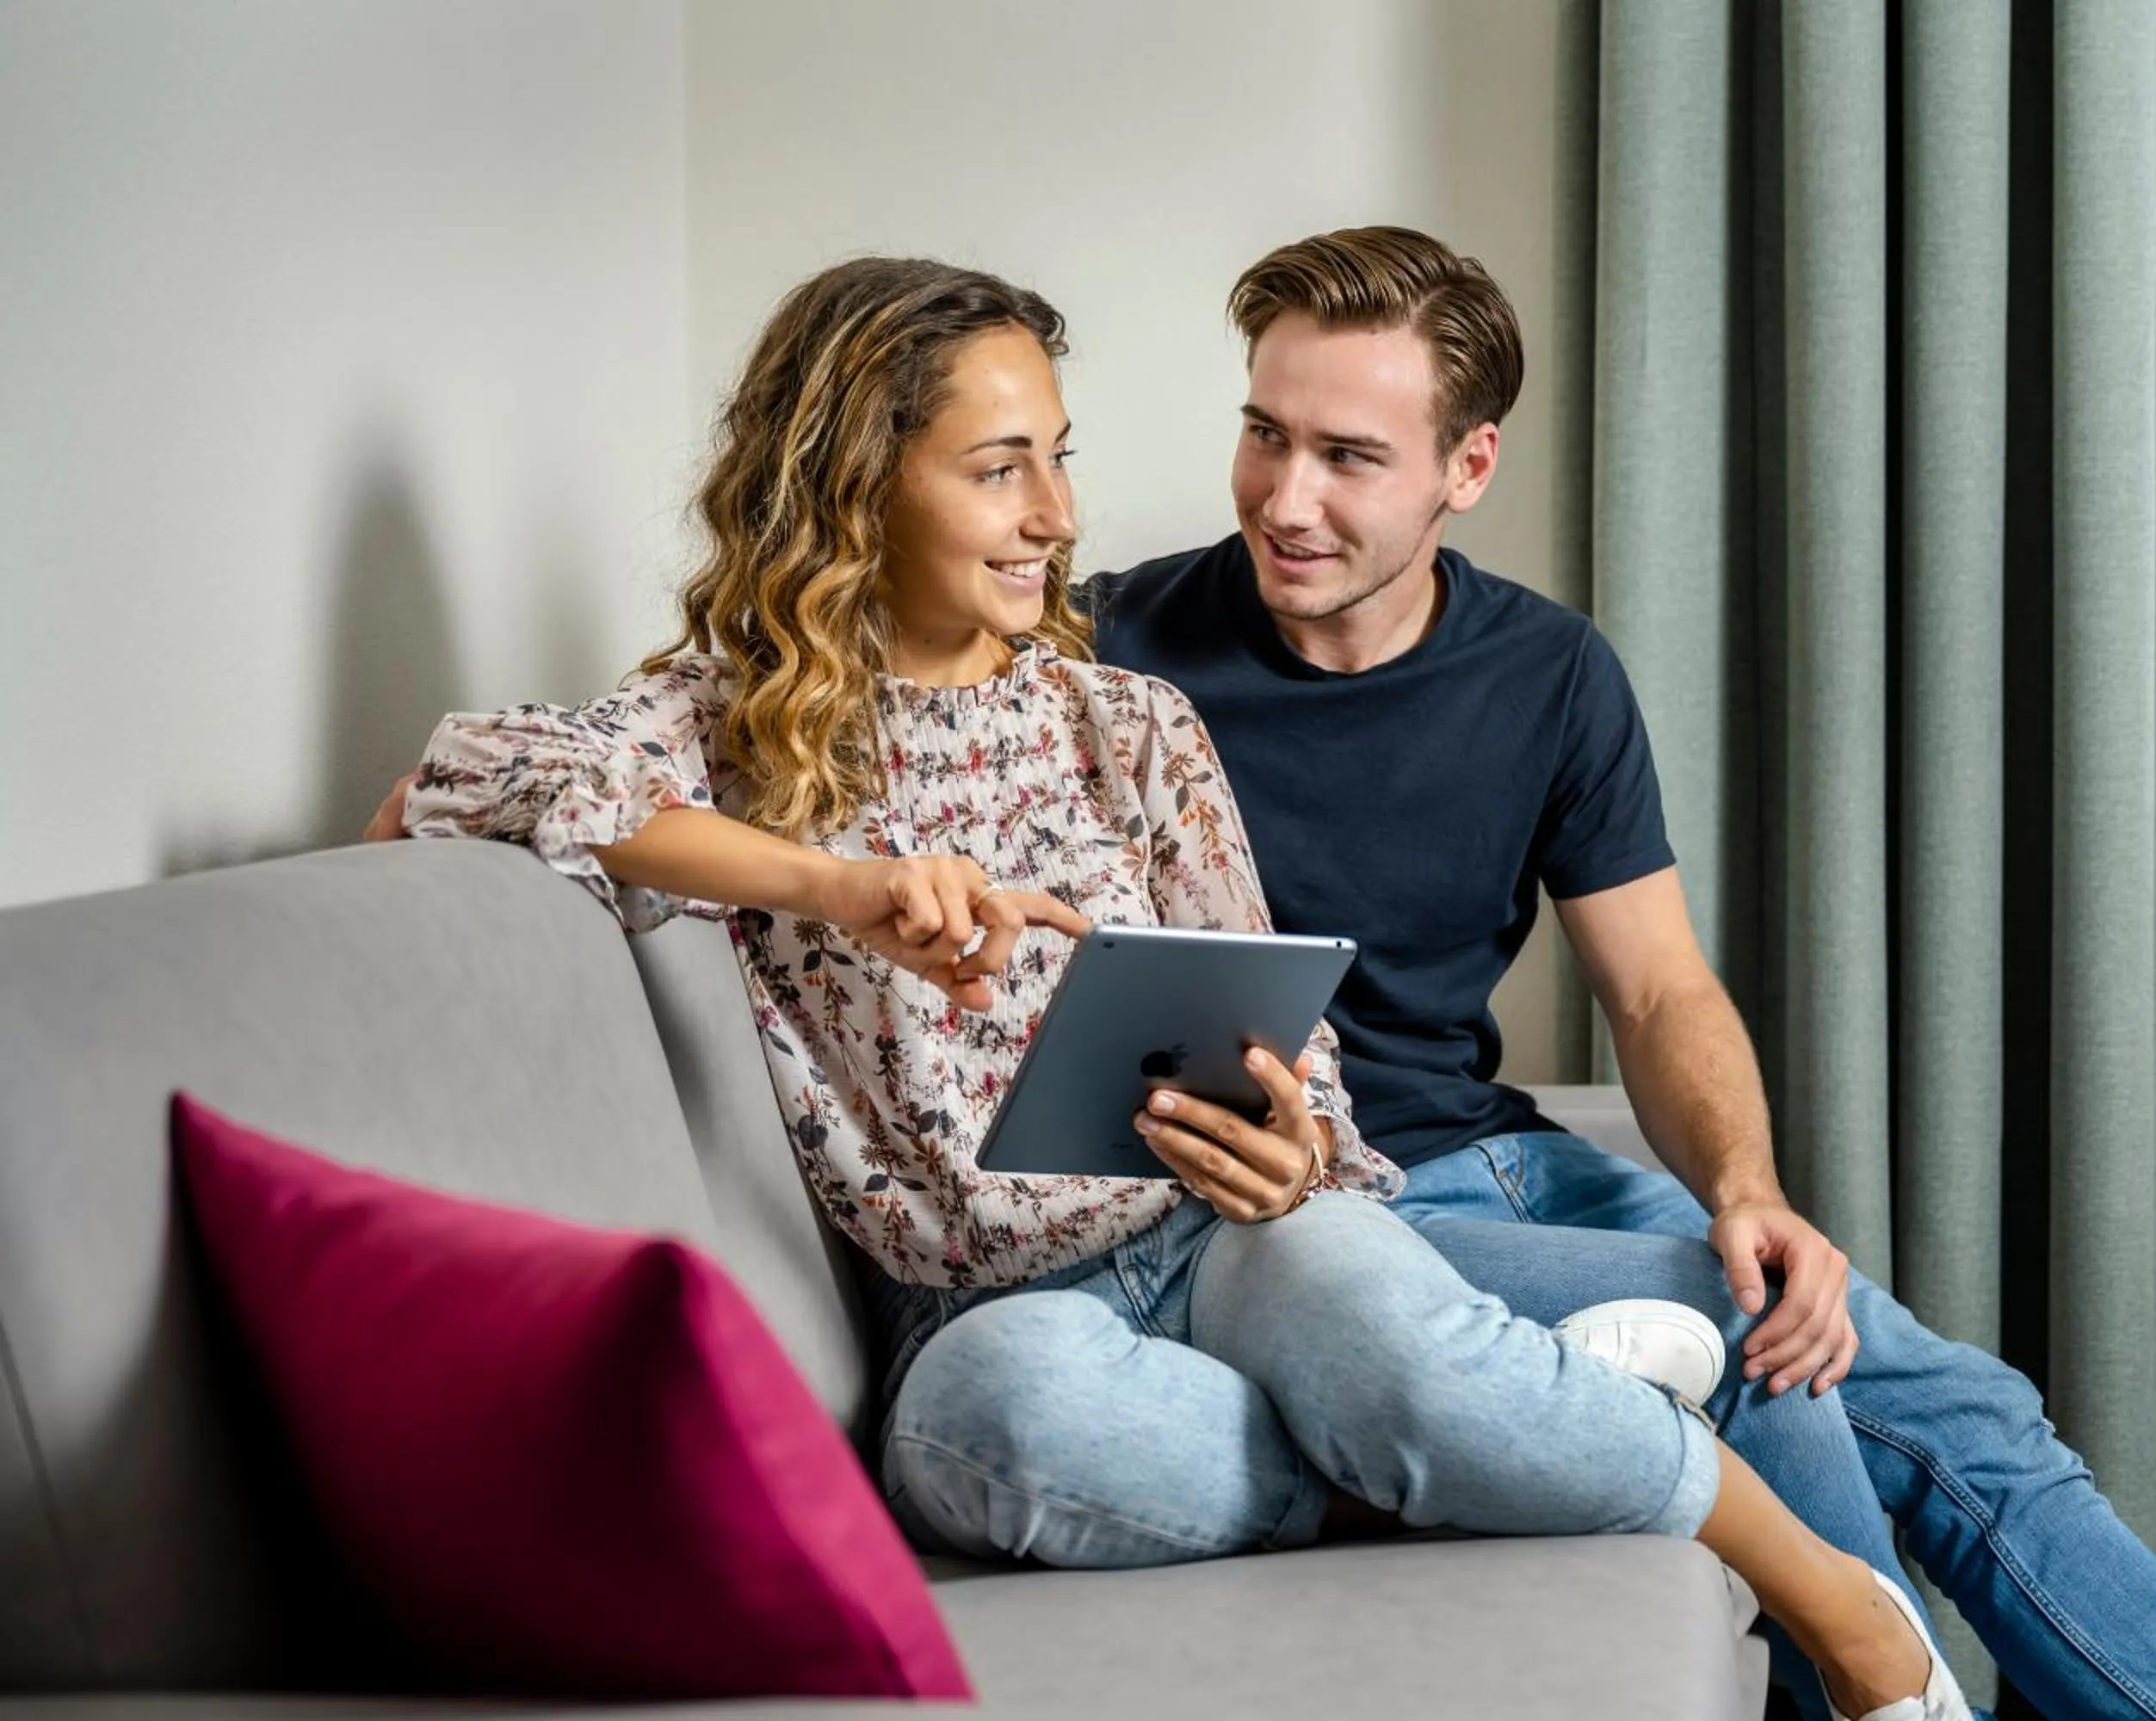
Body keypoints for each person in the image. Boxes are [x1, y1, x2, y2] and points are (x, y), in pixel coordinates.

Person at [380, 255, 1971, 1721]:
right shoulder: (727, 729)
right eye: (1001, 469)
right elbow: (447, 787)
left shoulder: (1130, 724)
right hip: (989, 1314)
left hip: (1219, 1240)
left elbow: (1300, 1053)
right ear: (858, 484)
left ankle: (1846, 1615)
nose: (1056, 515)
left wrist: (1298, 1148)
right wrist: (833, 883)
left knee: (1365, 1292)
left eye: (1057, 457)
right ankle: (1494, 1428)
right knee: (996, 1433)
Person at [1071, 225, 2156, 1721]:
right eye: (1265, 437)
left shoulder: (1548, 671)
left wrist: (1744, 1187)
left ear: (1467, 468)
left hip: (1517, 1164)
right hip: (1330, 1211)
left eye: (1349, 456)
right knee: (1767, 1356)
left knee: (1955, 1405)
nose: (1287, 500)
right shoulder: (1110, 653)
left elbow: (1660, 991)